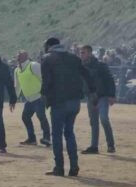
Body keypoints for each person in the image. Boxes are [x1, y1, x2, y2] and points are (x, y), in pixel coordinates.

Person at [41, 37, 96, 176]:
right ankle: (74, 166)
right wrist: (92, 91)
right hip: (74, 101)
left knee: (57, 135)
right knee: (69, 133)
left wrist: (45, 96)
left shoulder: (47, 58)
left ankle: (59, 167)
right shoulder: (74, 58)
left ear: (48, 46)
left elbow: (46, 82)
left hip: (59, 102)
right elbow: (87, 74)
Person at [79, 45, 117, 154]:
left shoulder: (100, 65)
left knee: (104, 119)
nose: (81, 54)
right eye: (81, 52)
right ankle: (94, 146)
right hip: (90, 97)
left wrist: (112, 95)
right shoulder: (81, 67)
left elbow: (109, 79)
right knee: (93, 122)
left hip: (102, 96)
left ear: (90, 53)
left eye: (83, 52)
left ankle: (111, 145)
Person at [14, 50, 51, 146]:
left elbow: (43, 78)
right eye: (17, 56)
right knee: (25, 117)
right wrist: (14, 99)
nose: (18, 57)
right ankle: (32, 139)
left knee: (41, 116)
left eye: (20, 56)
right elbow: (17, 86)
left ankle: (47, 138)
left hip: (39, 97)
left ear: (26, 56)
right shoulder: (17, 70)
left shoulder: (33, 65)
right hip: (29, 99)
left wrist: (45, 93)